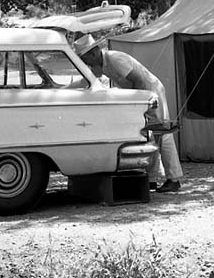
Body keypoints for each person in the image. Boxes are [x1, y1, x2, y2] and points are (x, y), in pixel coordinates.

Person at [73, 34, 184, 193]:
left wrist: (135, 104)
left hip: (150, 92)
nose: (86, 63)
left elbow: (139, 80)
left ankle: (174, 179)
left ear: (93, 53)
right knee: (148, 135)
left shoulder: (115, 59)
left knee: (163, 133)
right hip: (140, 95)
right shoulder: (99, 65)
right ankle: (152, 179)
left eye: (85, 59)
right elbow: (88, 81)